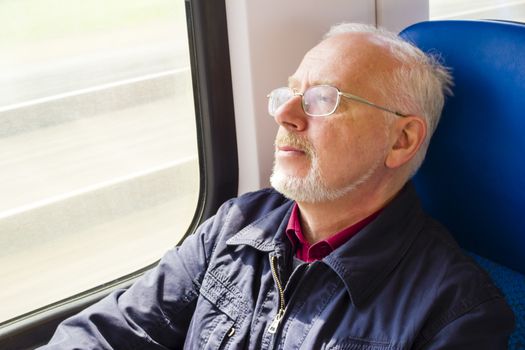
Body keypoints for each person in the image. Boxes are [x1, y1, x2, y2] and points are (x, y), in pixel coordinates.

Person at [40, 22, 514, 349]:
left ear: (402, 139)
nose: (284, 113)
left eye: (323, 99)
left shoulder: (455, 312)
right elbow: (105, 333)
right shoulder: (236, 224)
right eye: (290, 92)